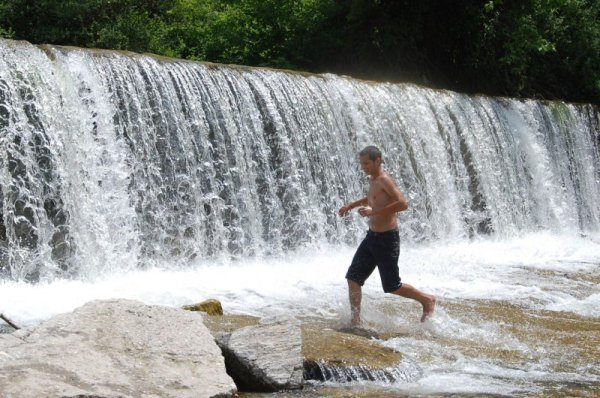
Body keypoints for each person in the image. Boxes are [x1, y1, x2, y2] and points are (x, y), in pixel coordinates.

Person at [338, 145, 436, 325]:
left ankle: (427, 300)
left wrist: (373, 212)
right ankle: (355, 321)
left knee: (392, 286)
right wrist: (350, 206)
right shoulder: (373, 179)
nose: (363, 167)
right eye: (362, 164)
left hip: (387, 239)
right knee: (353, 277)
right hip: (371, 238)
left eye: (367, 163)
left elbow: (402, 204)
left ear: (377, 161)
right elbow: (372, 198)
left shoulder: (384, 179)